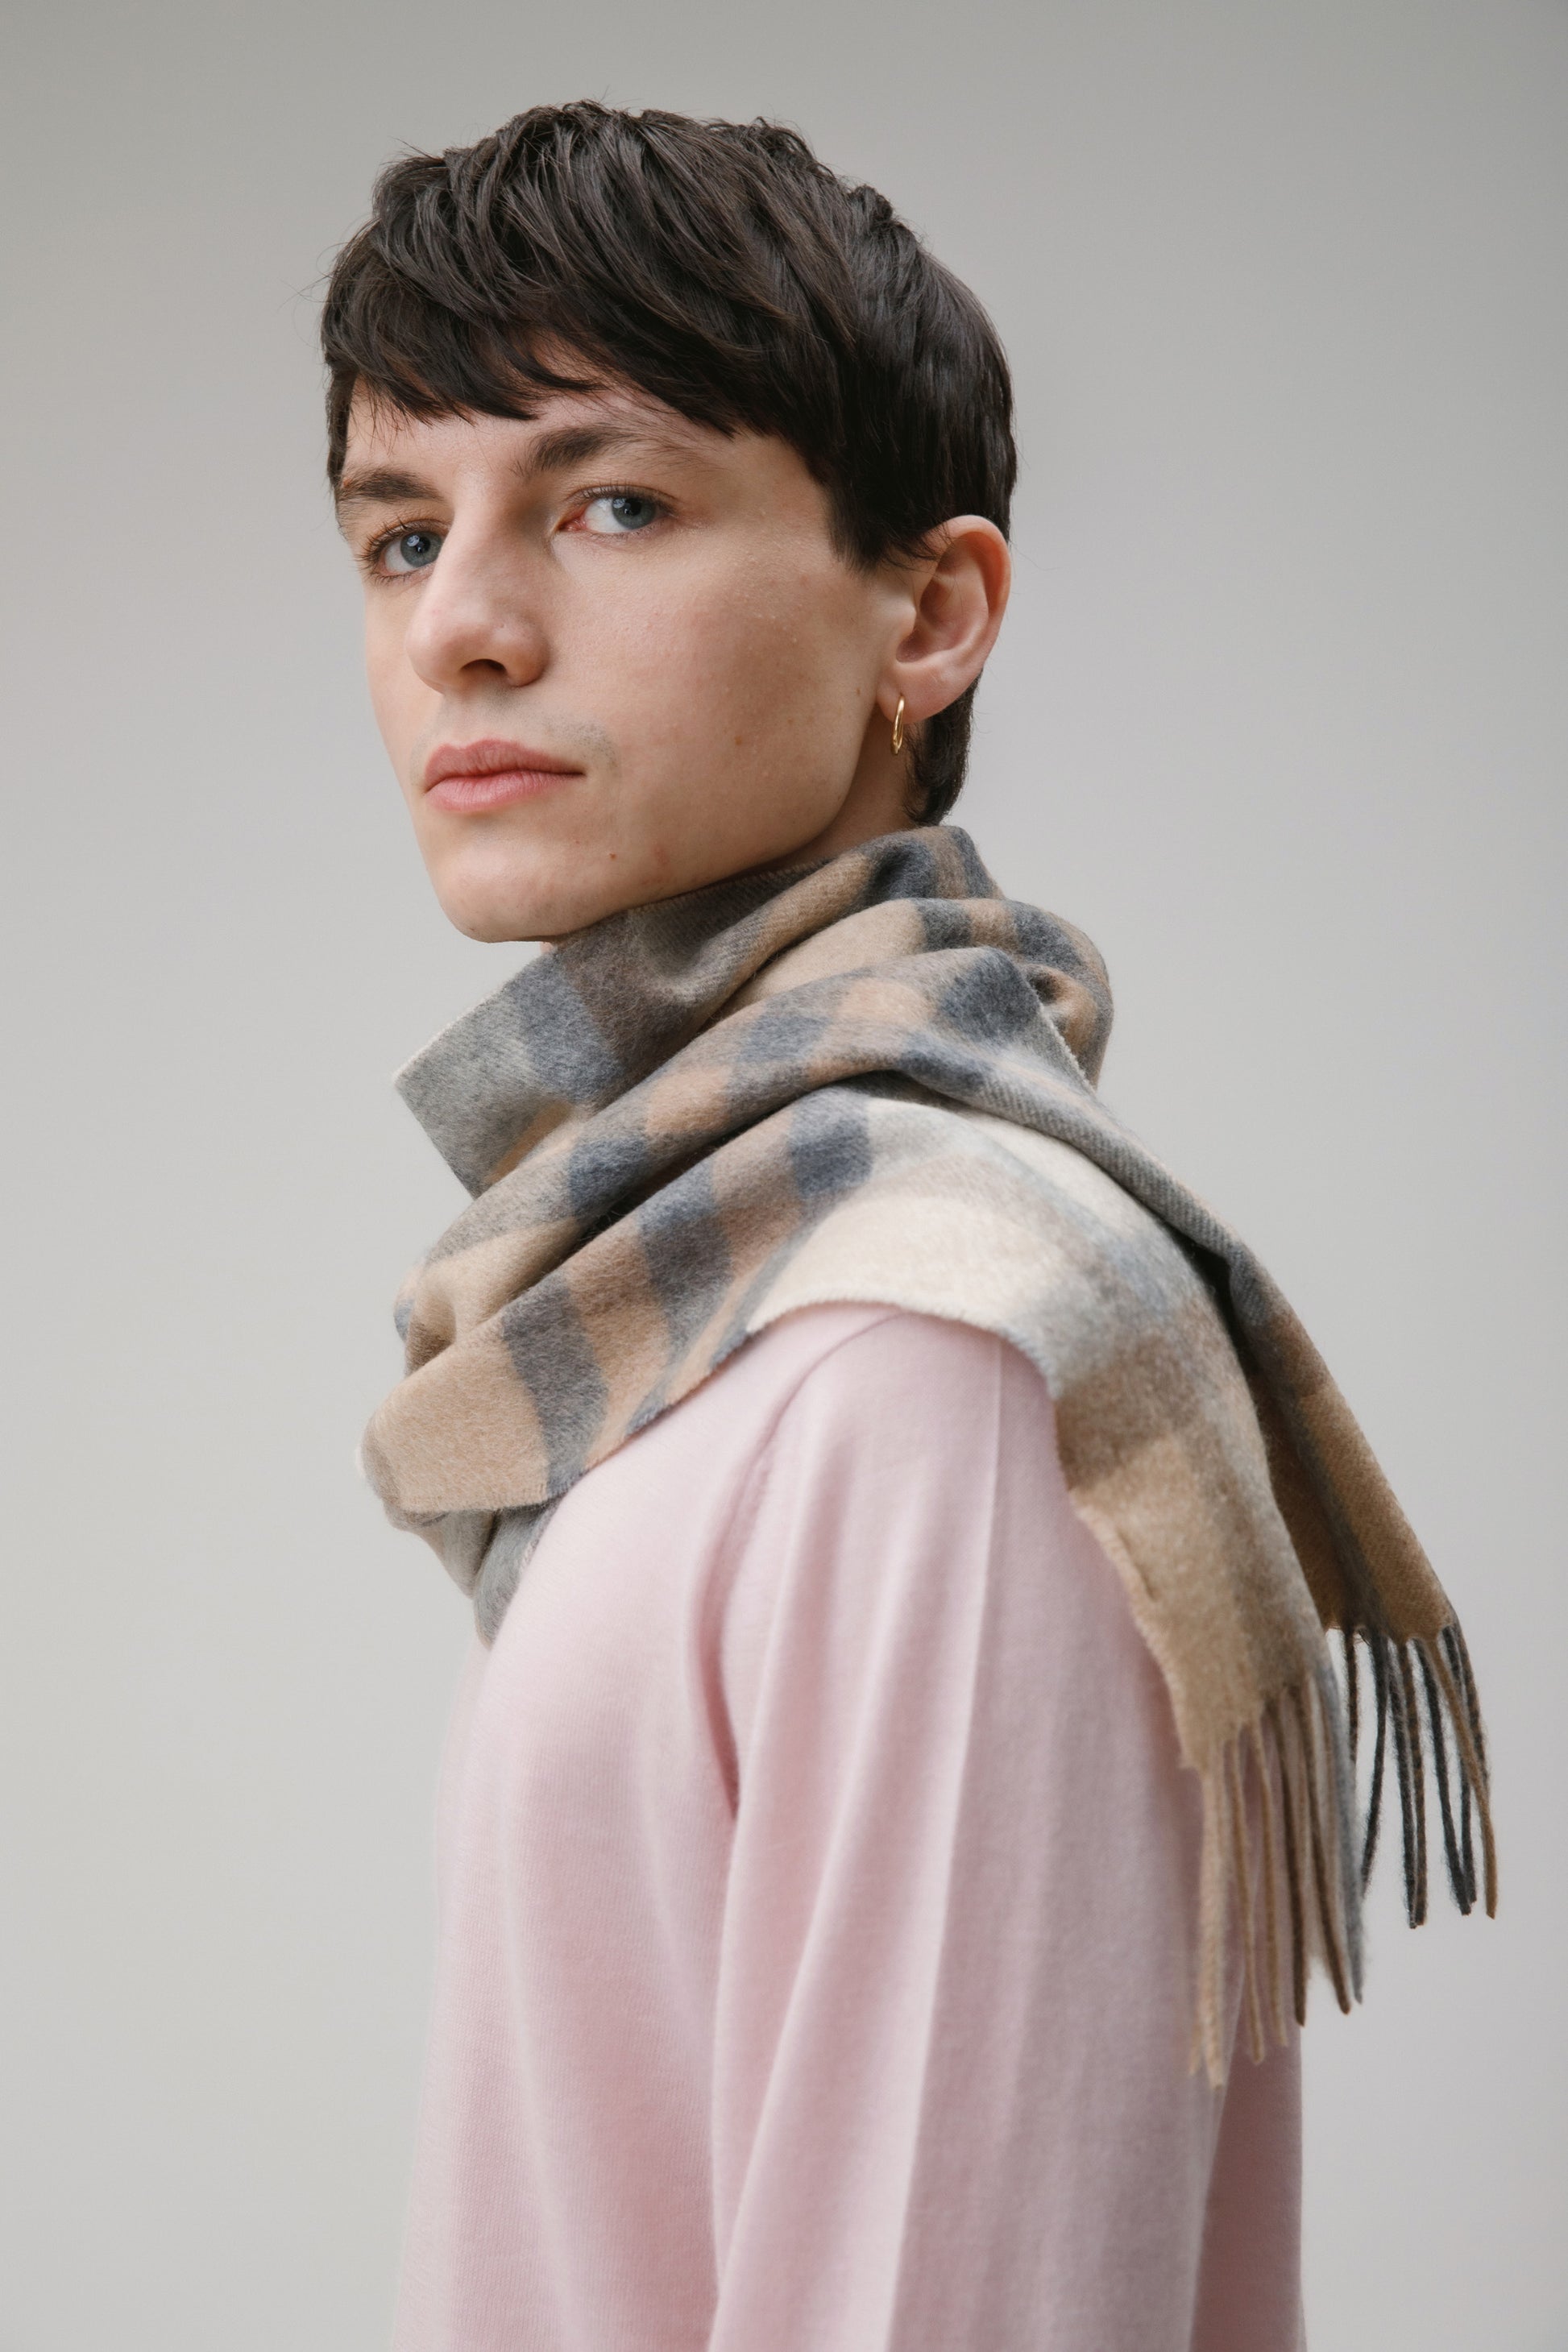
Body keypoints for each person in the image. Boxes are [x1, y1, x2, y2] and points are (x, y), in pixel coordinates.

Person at [321, 103, 1491, 2352]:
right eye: (398, 536)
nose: (461, 626)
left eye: (612, 504)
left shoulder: (937, 1359)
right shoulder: (695, 1308)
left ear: (930, 614)